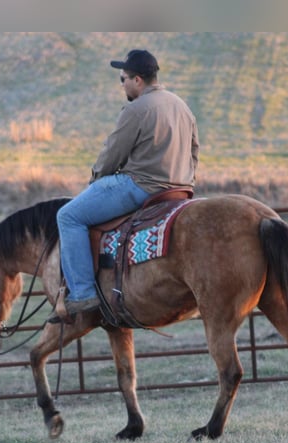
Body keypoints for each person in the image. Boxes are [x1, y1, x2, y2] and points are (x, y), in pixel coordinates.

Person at [52, 49, 200, 321]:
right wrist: (185, 183)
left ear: (138, 80)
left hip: (140, 187)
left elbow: (113, 153)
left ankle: (83, 293)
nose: (122, 85)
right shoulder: (182, 106)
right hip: (180, 191)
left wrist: (97, 179)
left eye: (123, 79)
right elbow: (194, 151)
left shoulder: (136, 109)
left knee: (69, 215)